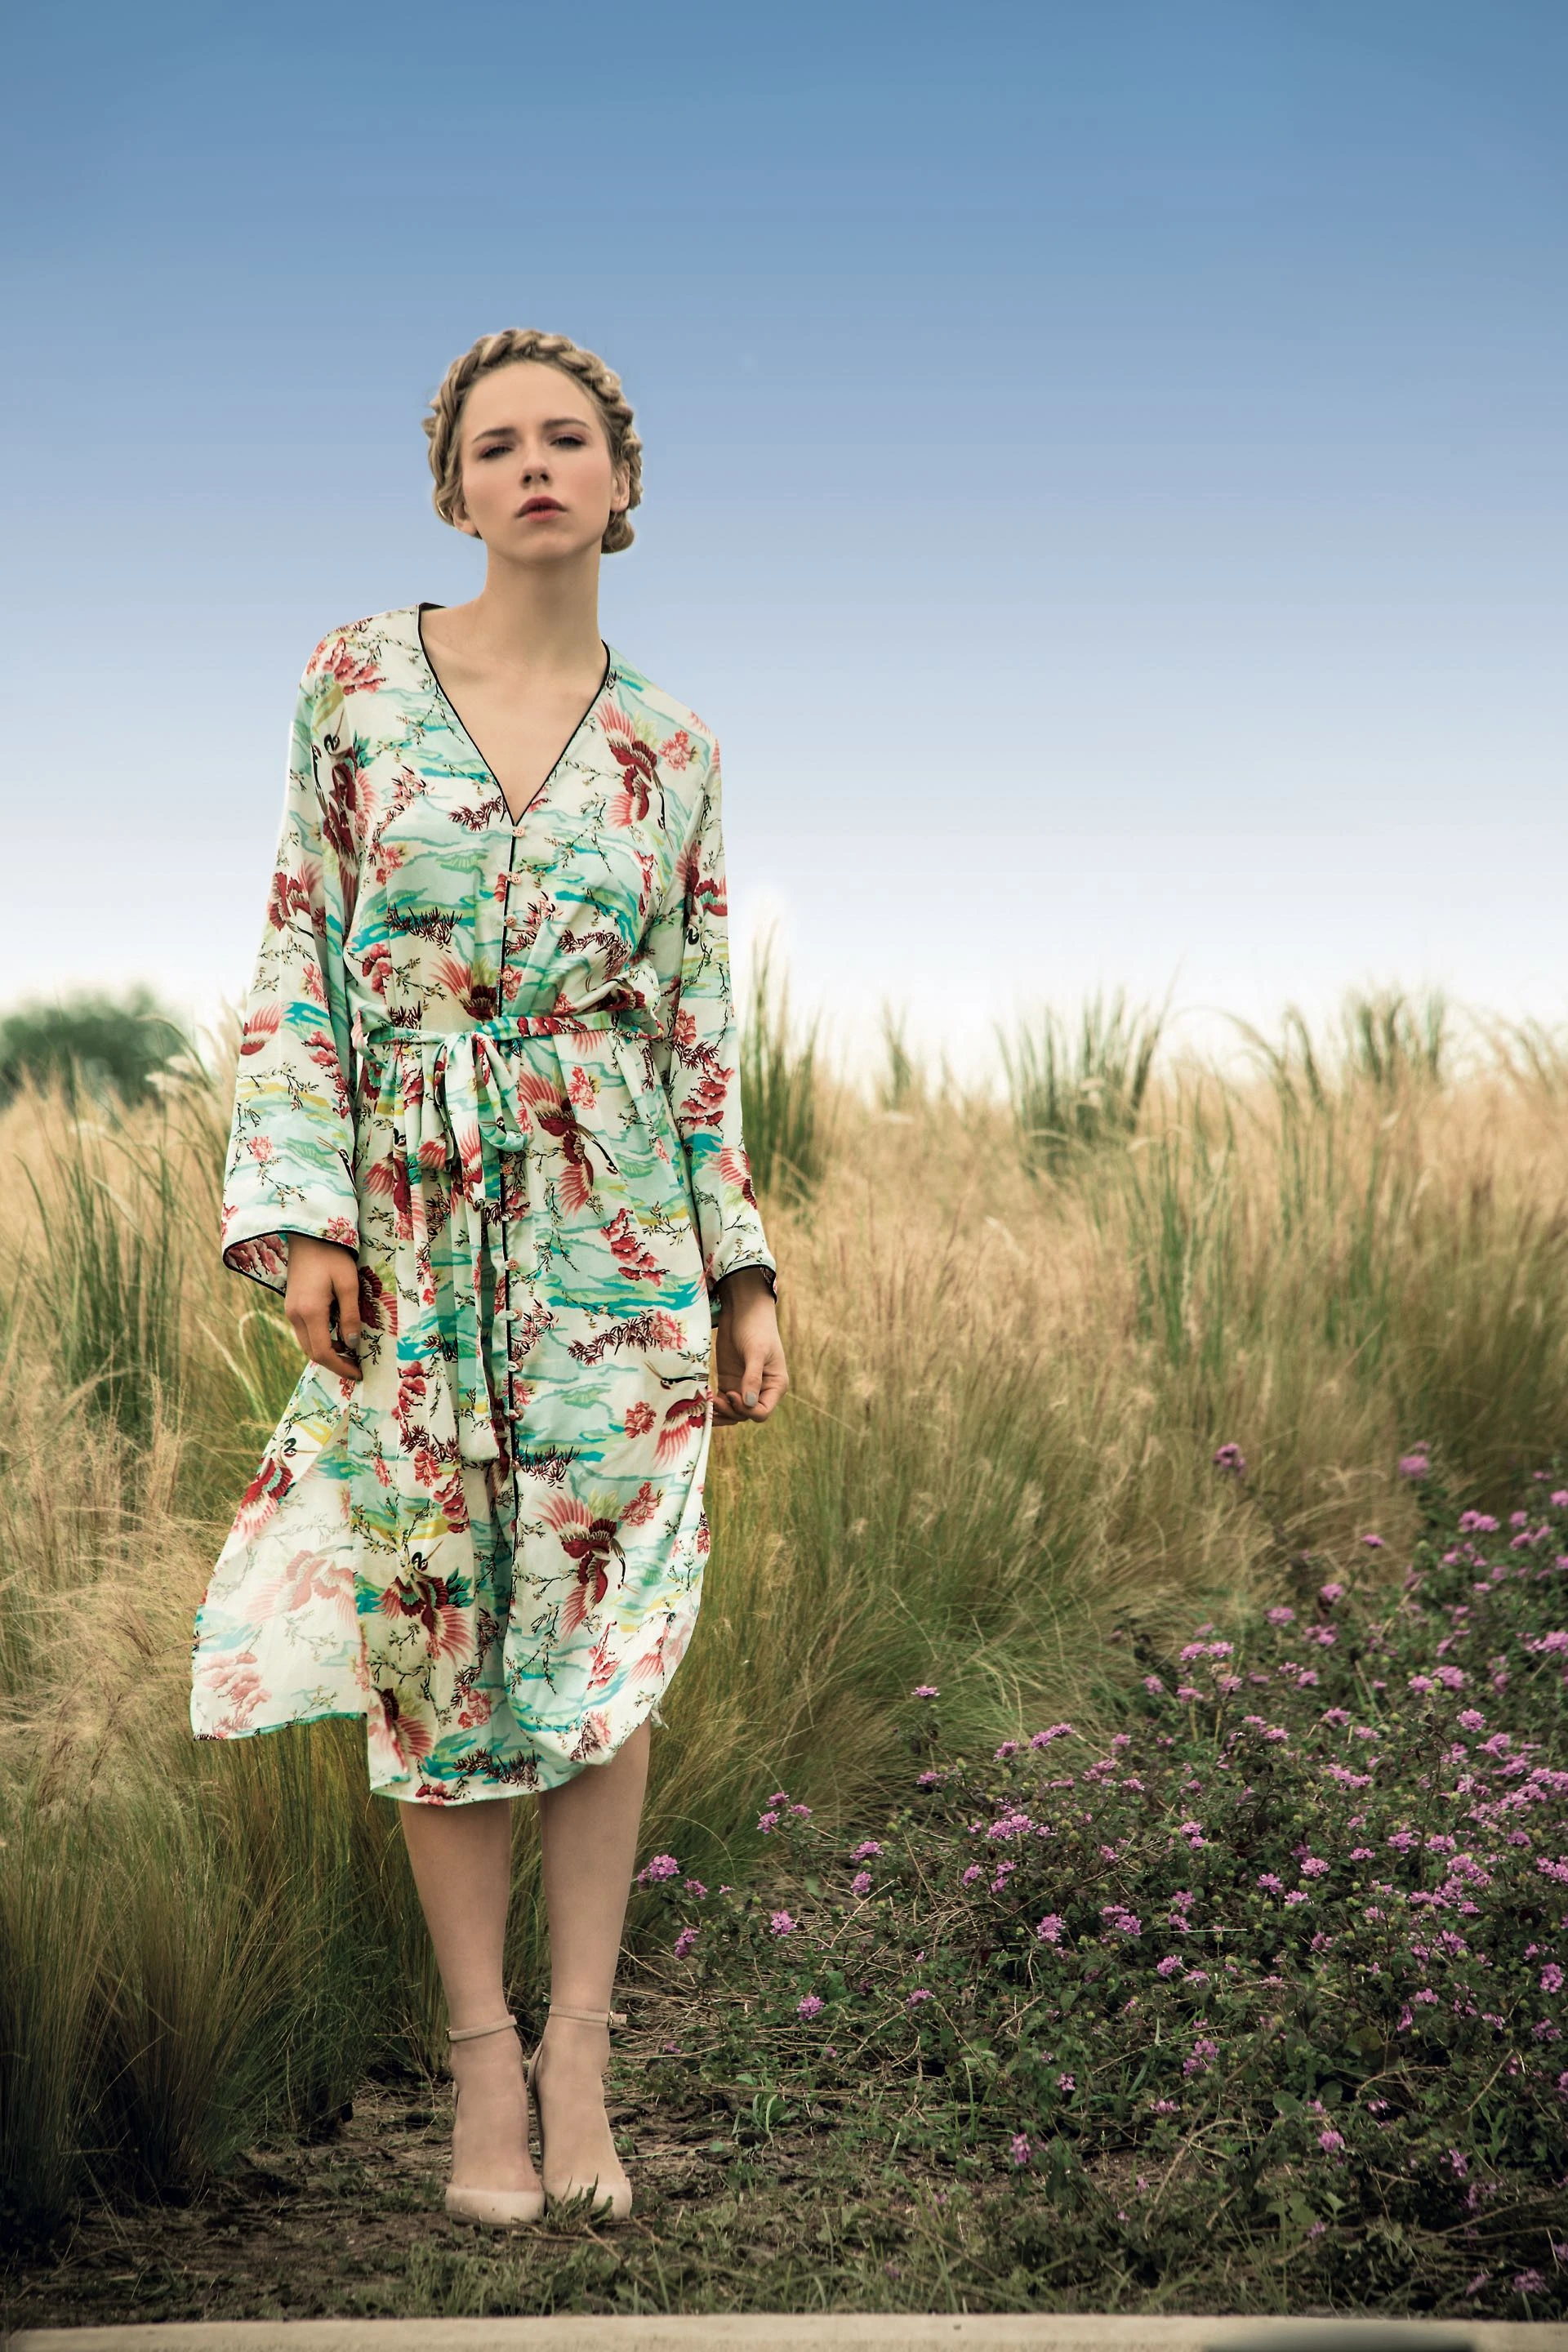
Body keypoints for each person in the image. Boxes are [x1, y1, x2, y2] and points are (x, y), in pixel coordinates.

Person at [189, 327, 788, 2227]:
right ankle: (480, 2081)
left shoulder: (676, 751)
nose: (536, 466)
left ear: (624, 478)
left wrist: (743, 1275)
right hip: (414, 1230)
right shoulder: (353, 684)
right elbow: (296, 950)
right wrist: (308, 1219)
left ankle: (587, 2054)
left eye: (571, 439)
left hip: (618, 1241)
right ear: (452, 488)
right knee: (436, 1635)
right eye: (496, 444)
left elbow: (700, 1034)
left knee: (603, 1658)